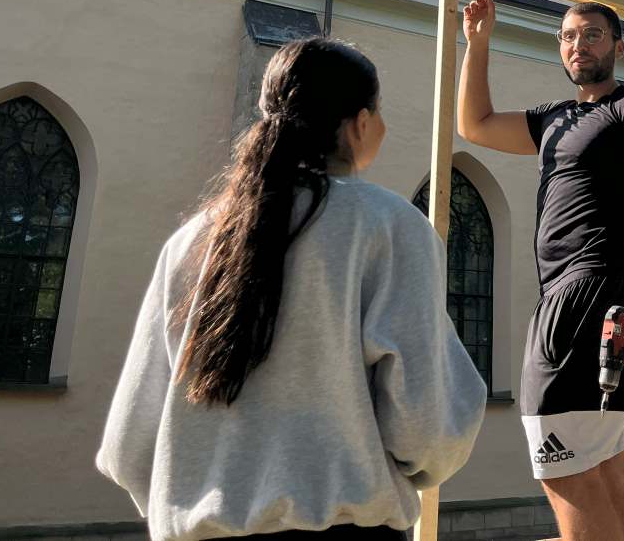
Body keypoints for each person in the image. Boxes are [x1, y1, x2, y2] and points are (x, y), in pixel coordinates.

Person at [96, 37, 486, 540]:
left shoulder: (192, 241)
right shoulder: (389, 227)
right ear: (361, 123)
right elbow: (427, 425)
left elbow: (130, 444)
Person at [457, 0, 624, 541]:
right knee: (607, 470)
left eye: (592, 34)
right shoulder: (553, 119)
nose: (578, 45)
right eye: (568, 37)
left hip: (591, 288)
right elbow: (476, 125)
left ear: (619, 46)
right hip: (569, 292)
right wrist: (478, 43)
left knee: (559, 461)